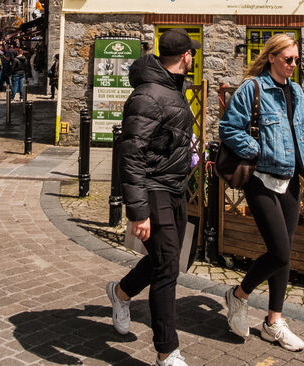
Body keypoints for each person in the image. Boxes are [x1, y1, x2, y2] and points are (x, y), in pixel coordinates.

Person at [105, 28, 200, 366]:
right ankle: (166, 351)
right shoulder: (148, 96)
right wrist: (138, 211)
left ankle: (120, 293)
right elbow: (131, 155)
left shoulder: (174, 89)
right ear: (185, 57)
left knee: (165, 259)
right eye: (192, 54)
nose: (193, 58)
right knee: (167, 270)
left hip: (174, 186)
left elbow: (165, 139)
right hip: (154, 187)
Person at [217, 32, 304, 352]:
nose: (293, 65)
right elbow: (229, 128)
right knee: (280, 251)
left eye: (296, 60)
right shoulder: (253, 88)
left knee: (284, 254)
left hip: (291, 179)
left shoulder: (297, 91)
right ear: (271, 57)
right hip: (260, 179)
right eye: (288, 59)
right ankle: (238, 296)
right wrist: (258, 151)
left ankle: (273, 321)